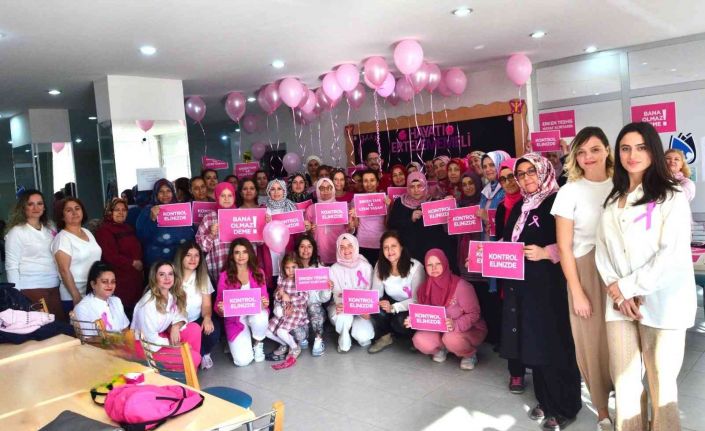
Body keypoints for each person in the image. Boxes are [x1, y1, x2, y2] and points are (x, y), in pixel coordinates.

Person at [595, 122, 695, 431]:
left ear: (653, 151)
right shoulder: (613, 198)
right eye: (625, 148)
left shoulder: (671, 196)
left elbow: (671, 254)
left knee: (661, 387)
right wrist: (617, 291)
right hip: (620, 304)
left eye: (640, 147)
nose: (632, 155)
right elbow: (603, 249)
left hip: (662, 303)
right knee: (625, 384)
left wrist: (627, 287)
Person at [501, 153, 582, 430]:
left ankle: (565, 406)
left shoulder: (557, 201)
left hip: (550, 287)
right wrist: (483, 256)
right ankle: (545, 401)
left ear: (544, 171)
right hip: (524, 287)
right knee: (533, 344)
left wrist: (546, 253)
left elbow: (575, 240)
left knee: (555, 345)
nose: (526, 178)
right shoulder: (520, 206)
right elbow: (508, 242)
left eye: (531, 172)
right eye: (520, 174)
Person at [551, 127, 614, 430]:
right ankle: (602, 411)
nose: (588, 157)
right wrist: (576, 291)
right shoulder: (569, 191)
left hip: (620, 268)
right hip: (585, 271)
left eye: (595, 149)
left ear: (607, 150)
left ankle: (628, 401)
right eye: (582, 151)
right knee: (591, 343)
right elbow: (564, 247)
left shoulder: (623, 184)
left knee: (623, 339)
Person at [406, 248, 487, 370]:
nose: (434, 268)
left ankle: (469, 354)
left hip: (469, 330)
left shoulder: (461, 286)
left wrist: (455, 324)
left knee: (450, 338)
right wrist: (414, 320)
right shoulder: (423, 289)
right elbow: (425, 315)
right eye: (429, 265)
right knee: (419, 339)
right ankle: (442, 348)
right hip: (441, 331)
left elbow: (474, 314)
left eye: (438, 263)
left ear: (444, 263)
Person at [4, 190, 65, 320]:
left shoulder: (50, 227)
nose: (36, 208)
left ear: (44, 207)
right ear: (23, 207)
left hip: (54, 285)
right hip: (31, 287)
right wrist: (16, 294)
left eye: (39, 203)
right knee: (43, 326)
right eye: (30, 204)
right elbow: (11, 266)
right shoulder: (16, 232)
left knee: (60, 325)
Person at [132, 260, 202, 368]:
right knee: (194, 357)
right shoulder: (148, 303)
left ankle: (189, 371)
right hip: (147, 346)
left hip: (161, 336)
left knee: (194, 329)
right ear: (154, 278)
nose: (167, 278)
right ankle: (188, 364)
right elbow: (150, 338)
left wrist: (175, 326)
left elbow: (180, 315)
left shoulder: (170, 296)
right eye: (162, 274)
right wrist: (178, 345)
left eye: (170, 274)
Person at [214, 239, 270, 366]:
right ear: (232, 255)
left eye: (244, 252)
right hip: (235, 320)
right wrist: (221, 309)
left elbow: (265, 297)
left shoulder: (258, 272)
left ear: (249, 253)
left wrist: (264, 302)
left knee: (261, 316)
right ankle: (243, 340)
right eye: (237, 252)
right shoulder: (225, 275)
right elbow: (218, 303)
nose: (241, 256)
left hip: (255, 314)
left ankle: (257, 343)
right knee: (243, 361)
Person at [368, 231, 425, 354]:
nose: (390, 251)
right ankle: (386, 337)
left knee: (399, 322)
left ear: (401, 247)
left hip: (412, 306)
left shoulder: (416, 267)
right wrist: (376, 304)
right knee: (376, 307)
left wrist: (394, 308)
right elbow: (375, 293)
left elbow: (417, 300)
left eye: (393, 246)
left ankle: (414, 337)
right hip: (392, 302)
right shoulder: (380, 265)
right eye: (386, 247)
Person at [387, 172, 456, 271]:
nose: (416, 190)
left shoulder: (433, 202)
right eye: (412, 186)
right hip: (408, 254)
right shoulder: (400, 202)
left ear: (425, 186)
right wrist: (410, 218)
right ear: (408, 187)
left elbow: (444, 230)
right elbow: (391, 225)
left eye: (419, 186)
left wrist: (448, 206)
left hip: (430, 255)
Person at [173, 241, 219, 370]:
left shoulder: (202, 277)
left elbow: (206, 305)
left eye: (196, 255)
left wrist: (207, 318)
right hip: (174, 321)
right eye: (188, 255)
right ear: (181, 257)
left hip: (195, 319)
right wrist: (175, 325)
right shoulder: (171, 275)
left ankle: (204, 353)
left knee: (213, 330)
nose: (193, 259)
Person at [94, 198, 144, 318]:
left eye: (124, 210)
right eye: (117, 210)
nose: (121, 213)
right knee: (122, 312)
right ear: (109, 212)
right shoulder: (104, 230)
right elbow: (110, 256)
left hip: (134, 278)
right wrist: (132, 263)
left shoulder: (128, 227)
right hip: (119, 279)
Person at [52, 197, 102, 313]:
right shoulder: (63, 238)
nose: (74, 213)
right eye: (69, 210)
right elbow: (64, 270)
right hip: (74, 296)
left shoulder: (87, 232)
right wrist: (76, 295)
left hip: (93, 293)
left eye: (77, 208)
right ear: (62, 216)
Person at [328, 234, 375, 352]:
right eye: (342, 247)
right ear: (338, 249)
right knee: (343, 318)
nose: (346, 250)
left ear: (355, 246)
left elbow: (370, 294)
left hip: (362, 309)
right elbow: (337, 295)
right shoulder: (333, 269)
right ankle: (344, 339)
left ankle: (355, 329)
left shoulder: (366, 267)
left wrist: (362, 310)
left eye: (350, 245)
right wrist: (346, 306)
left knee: (363, 337)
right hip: (341, 307)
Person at [136, 179, 194, 270]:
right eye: (161, 191)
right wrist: (152, 220)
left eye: (168, 191)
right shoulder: (148, 211)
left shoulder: (181, 209)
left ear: (173, 192)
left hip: (179, 261)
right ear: (156, 194)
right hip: (156, 263)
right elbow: (141, 236)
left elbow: (190, 233)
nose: (165, 194)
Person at [265, 253, 308, 365]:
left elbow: (304, 298)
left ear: (299, 266)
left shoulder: (301, 280)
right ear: (284, 269)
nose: (291, 271)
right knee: (266, 331)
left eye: (294, 267)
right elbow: (276, 296)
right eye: (287, 268)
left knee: (281, 331)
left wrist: (289, 298)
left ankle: (294, 347)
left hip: (296, 311)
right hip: (283, 310)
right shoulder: (282, 280)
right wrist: (279, 295)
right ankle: (285, 344)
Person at [293, 234, 331, 356]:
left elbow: (324, 299)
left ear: (313, 249)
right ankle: (302, 337)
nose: (306, 250)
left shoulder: (319, 268)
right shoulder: (291, 267)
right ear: (297, 248)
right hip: (297, 308)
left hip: (314, 307)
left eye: (309, 246)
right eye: (302, 246)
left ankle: (318, 340)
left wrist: (327, 288)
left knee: (315, 309)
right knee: (300, 338)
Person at [305, 178, 353, 265]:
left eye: (329, 188)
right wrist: (309, 229)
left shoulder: (342, 207)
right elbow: (306, 233)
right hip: (319, 252)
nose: (326, 191)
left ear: (333, 189)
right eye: (322, 188)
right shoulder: (311, 209)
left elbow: (350, 230)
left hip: (340, 251)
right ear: (317, 191)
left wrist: (352, 224)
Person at [196, 182, 237, 282]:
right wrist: (211, 234)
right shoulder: (209, 218)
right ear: (217, 197)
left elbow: (258, 242)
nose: (226, 199)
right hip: (218, 268)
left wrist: (264, 223)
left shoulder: (242, 214)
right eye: (223, 195)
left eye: (230, 195)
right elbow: (202, 247)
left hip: (241, 268)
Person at [73, 261, 130, 332]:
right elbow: (87, 338)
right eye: (104, 282)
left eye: (113, 282)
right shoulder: (83, 308)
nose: (110, 285)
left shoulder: (116, 301)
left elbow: (126, 329)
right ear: (93, 284)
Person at [263, 179, 297, 285]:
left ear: (284, 191)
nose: (276, 192)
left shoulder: (291, 207)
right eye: (273, 189)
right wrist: (264, 224)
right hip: (270, 255)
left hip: (288, 255)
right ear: (268, 191)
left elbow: (297, 233)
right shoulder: (263, 209)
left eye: (279, 189)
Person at [349, 169, 387, 266]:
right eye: (365, 181)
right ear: (362, 183)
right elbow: (356, 226)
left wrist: (389, 207)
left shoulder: (385, 199)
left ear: (377, 183)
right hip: (362, 243)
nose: (369, 184)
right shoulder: (356, 200)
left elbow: (389, 224)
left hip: (382, 243)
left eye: (372, 180)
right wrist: (354, 217)